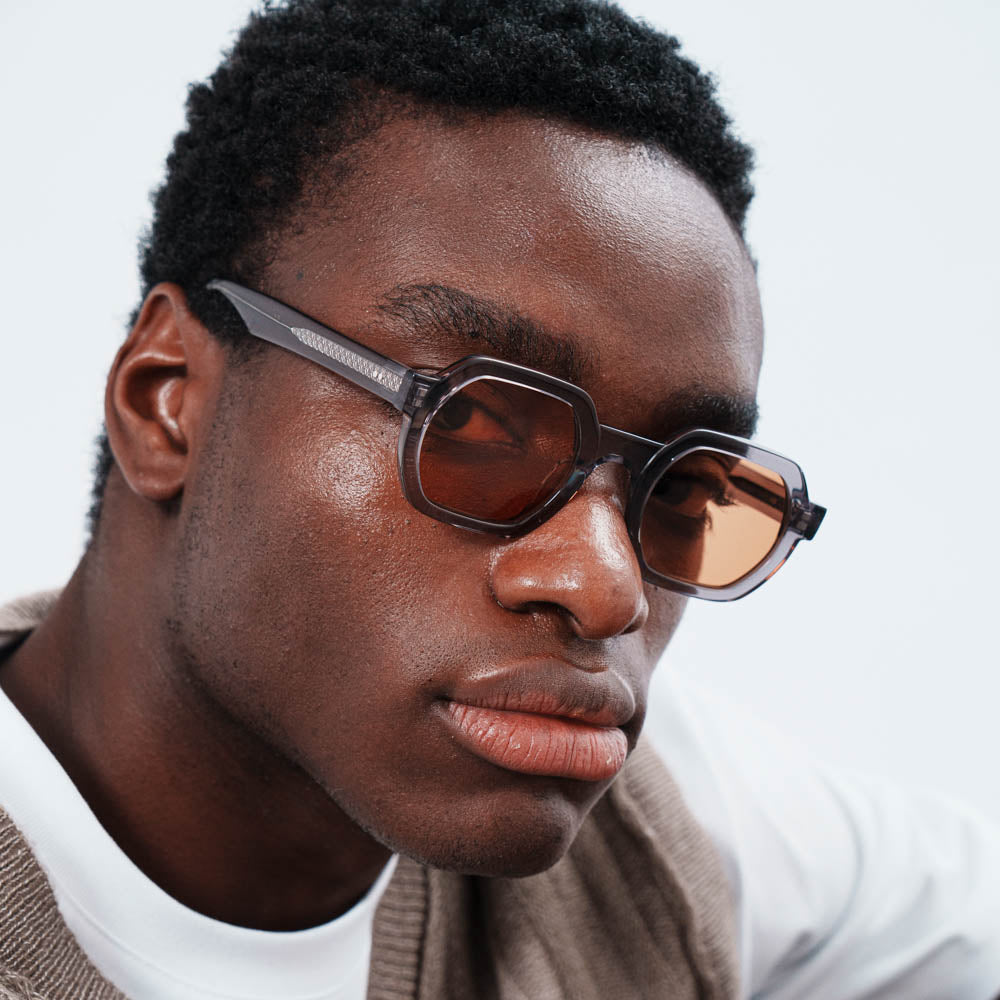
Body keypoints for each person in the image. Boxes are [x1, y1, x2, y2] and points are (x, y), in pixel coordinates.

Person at [0, 1, 996, 998]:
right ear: (165, 401)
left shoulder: (658, 832)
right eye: (476, 427)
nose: (609, 589)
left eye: (682, 487)